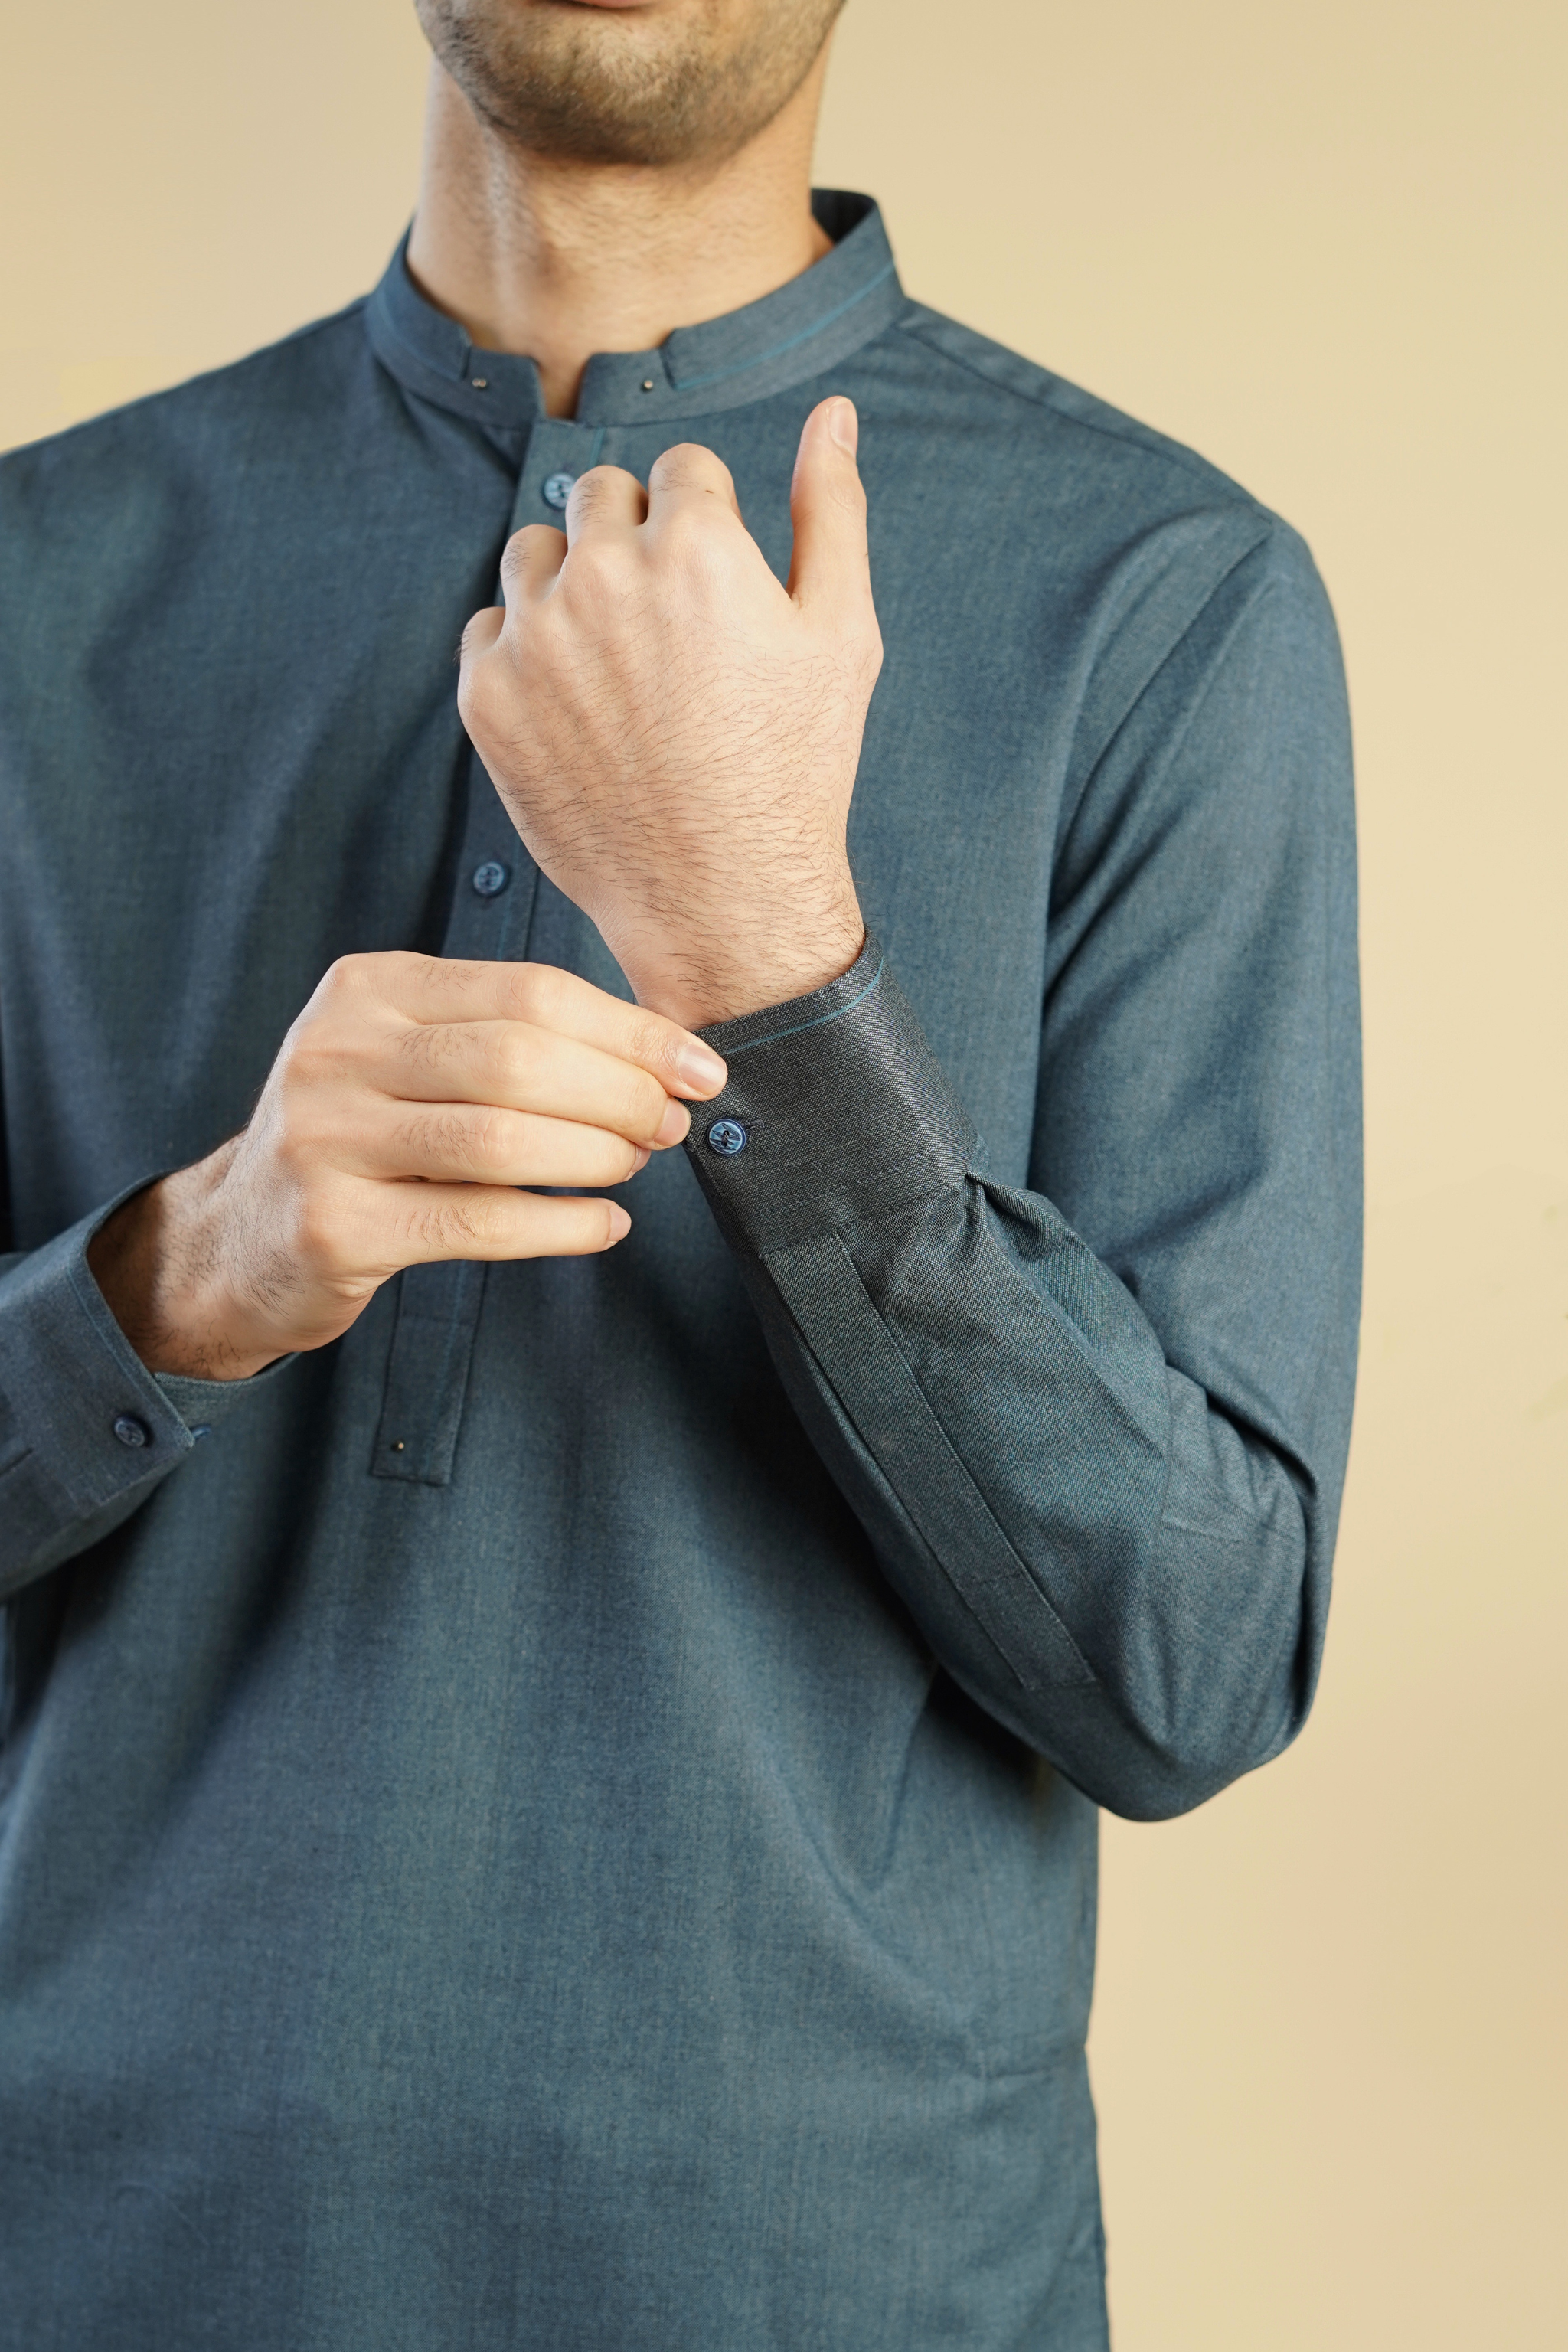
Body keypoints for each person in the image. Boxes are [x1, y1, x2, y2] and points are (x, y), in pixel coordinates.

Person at [0, 0, 1361, 2343]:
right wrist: (171, 1277)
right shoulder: (37, 579)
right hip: (107, 2252)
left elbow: (1193, 1668)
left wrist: (769, 956)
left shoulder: (1168, 599)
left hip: (832, 2284)